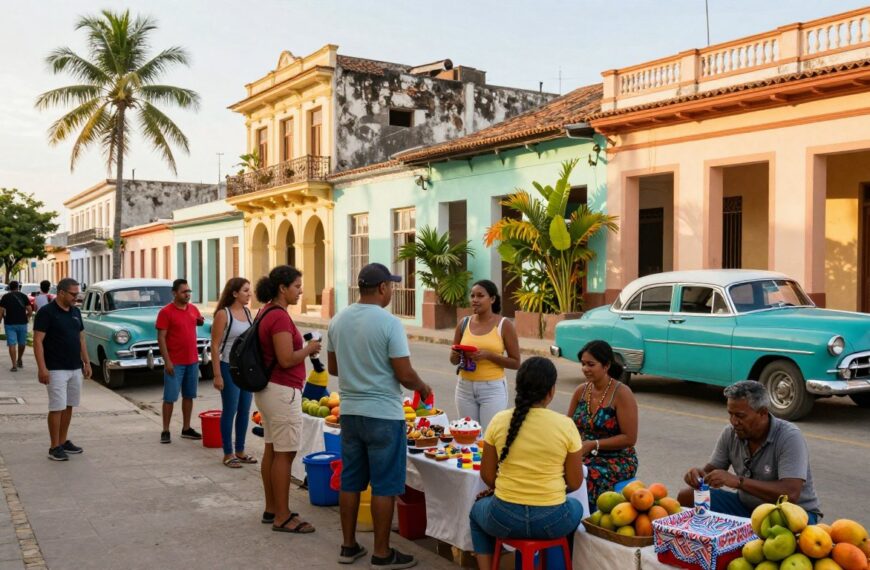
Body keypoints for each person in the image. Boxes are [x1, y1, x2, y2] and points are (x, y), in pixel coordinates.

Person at [328, 262, 433, 569]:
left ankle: (348, 546)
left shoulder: (338, 320)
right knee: (385, 485)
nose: (393, 291)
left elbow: (334, 368)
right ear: (383, 288)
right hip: (384, 416)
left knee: (351, 481)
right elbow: (405, 373)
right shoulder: (389, 323)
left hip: (350, 413)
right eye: (392, 286)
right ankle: (382, 552)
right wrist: (422, 386)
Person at [470, 357, 584, 570]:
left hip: (504, 518)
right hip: (552, 522)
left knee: (476, 513)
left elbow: (487, 475)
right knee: (577, 507)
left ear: (517, 387)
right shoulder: (566, 425)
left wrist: (505, 488)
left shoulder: (498, 420)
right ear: (551, 391)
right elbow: (576, 482)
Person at [678, 380, 822, 522]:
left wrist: (738, 482)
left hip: (791, 513)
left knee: (773, 528)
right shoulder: (731, 433)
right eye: (730, 414)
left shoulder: (789, 437)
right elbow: (711, 471)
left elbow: (791, 493)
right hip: (746, 507)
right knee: (688, 497)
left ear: (763, 412)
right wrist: (698, 476)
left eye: (740, 416)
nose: (733, 421)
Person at [254, 265, 320, 534]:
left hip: (270, 391)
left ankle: (272, 508)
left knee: (272, 450)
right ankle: (282, 516)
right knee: (285, 454)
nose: (300, 291)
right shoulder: (279, 317)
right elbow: (286, 359)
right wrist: (309, 349)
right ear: (283, 288)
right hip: (282, 391)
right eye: (297, 286)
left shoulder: (265, 311)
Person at [566, 340, 638, 506]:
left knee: (586, 477)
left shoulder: (622, 393)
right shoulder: (581, 391)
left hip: (616, 458)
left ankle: (584, 518)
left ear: (606, 366)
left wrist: (594, 444)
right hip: (583, 454)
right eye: (583, 364)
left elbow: (629, 438)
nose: (585, 369)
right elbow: (568, 427)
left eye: (591, 364)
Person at [449, 280, 520, 430]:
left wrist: (489, 355)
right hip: (464, 388)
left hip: (492, 389)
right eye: (472, 296)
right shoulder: (463, 323)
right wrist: (457, 354)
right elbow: (453, 360)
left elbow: (516, 363)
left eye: (480, 296)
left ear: (492, 299)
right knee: (467, 434)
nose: (475, 300)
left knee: (489, 435)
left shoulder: (504, 325)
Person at [32, 278, 91, 461]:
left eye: (77, 294)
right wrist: (42, 368)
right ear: (61, 292)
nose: (76, 297)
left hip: (75, 367)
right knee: (57, 407)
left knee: (69, 405)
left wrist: (87, 362)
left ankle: (63, 441)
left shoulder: (75, 312)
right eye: (73, 294)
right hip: (55, 368)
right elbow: (37, 341)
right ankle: (54, 446)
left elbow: (81, 338)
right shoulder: (46, 313)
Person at [210, 277, 256, 468]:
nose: (249, 294)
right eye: (245, 290)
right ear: (235, 293)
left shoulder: (247, 312)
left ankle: (240, 451)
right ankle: (228, 453)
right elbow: (214, 345)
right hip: (228, 368)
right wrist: (217, 374)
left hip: (245, 370)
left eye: (249, 290)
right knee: (230, 410)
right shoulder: (224, 314)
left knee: (244, 410)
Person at [156, 278, 204, 444]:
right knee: (169, 397)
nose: (187, 294)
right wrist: (167, 361)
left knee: (189, 396)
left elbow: (197, 321)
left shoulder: (193, 309)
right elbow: (161, 338)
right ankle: (165, 430)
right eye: (184, 292)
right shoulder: (166, 312)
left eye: (188, 291)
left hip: (192, 361)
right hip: (175, 362)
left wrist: (200, 321)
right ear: (174, 293)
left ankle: (186, 428)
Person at [0, 281, 33, 372]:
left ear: (9, 288)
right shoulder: (23, 296)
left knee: (12, 344)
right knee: (22, 343)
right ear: (18, 287)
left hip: (9, 324)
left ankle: (14, 365)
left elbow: (1, 311)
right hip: (22, 323)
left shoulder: (5, 297)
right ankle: (19, 359)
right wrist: (27, 317)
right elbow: (30, 310)